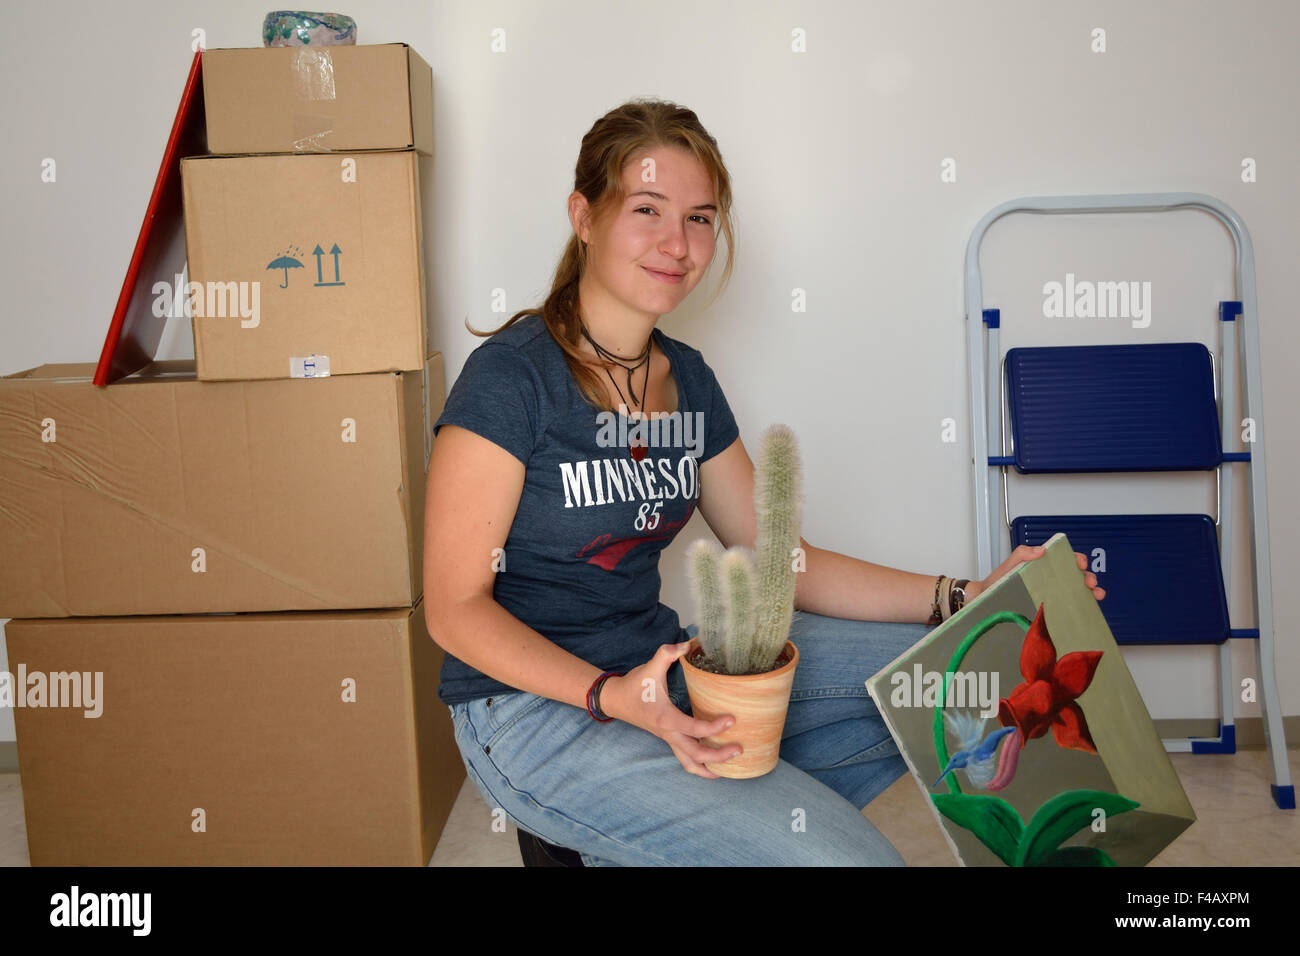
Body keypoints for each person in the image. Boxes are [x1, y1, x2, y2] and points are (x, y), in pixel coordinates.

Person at [422, 99, 1106, 866]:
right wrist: (611, 697)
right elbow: (454, 609)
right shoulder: (512, 380)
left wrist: (965, 597)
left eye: (701, 219)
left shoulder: (687, 380)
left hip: (667, 669)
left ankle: (664, 837)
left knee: (964, 675)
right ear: (585, 216)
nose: (677, 244)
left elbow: (781, 560)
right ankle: (648, 826)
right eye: (648, 209)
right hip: (534, 713)